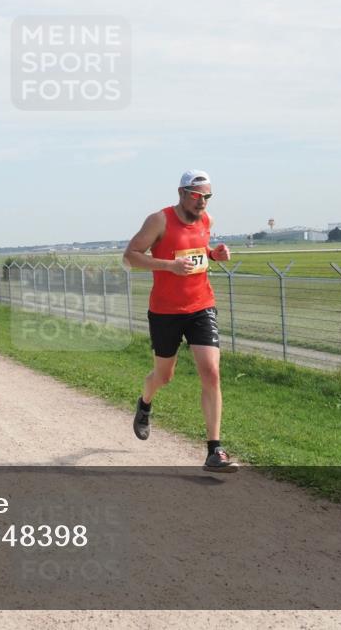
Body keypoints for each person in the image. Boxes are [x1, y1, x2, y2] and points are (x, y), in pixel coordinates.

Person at [122, 170, 237, 472]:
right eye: (197, 196)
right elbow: (130, 256)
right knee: (164, 376)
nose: (203, 202)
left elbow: (198, 252)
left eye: (208, 196)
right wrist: (169, 266)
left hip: (201, 306)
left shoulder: (206, 220)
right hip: (165, 312)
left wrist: (214, 254)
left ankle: (215, 450)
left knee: (211, 372)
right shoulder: (159, 220)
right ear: (182, 193)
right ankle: (145, 403)